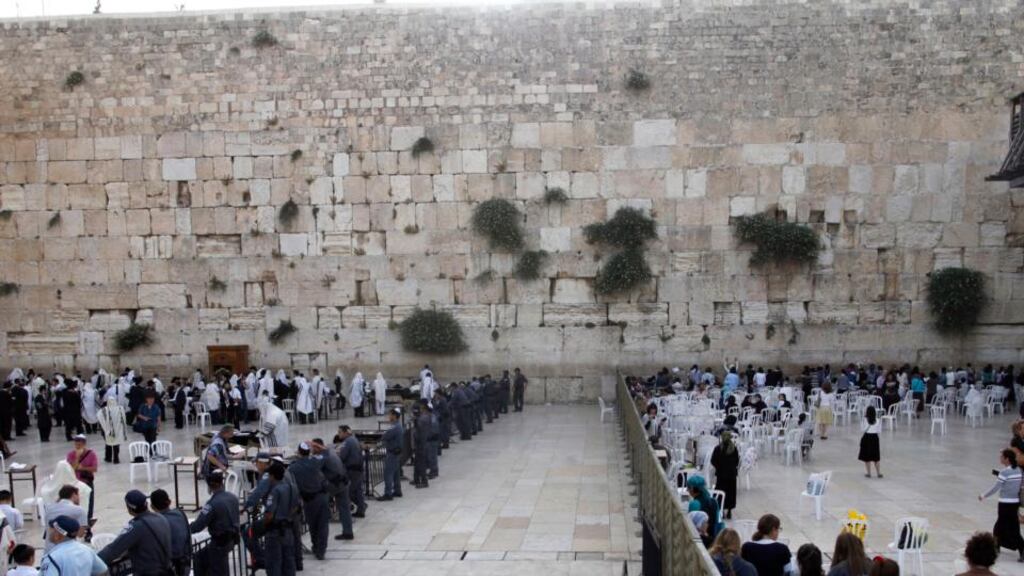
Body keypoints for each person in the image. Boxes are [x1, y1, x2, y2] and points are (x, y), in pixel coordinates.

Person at [97, 490, 173, 576]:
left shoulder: (136, 526)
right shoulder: (161, 518)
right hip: (166, 571)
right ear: (146, 504)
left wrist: (93, 560)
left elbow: (114, 549)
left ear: (129, 509)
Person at [189, 470, 240, 576]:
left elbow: (198, 526)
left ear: (210, 486)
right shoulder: (233, 497)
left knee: (217, 570)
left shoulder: (212, 504)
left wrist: (185, 529)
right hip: (232, 539)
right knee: (199, 557)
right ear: (222, 483)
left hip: (219, 543)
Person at [979, 448, 1024, 561]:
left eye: (1002, 457)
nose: (1000, 458)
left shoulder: (1004, 472)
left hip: (1005, 504)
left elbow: (996, 488)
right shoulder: (1019, 470)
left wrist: (983, 495)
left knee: (1010, 528)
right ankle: (996, 546)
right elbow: (1019, 485)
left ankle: (1021, 549)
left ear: (1007, 459)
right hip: (1014, 504)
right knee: (1000, 526)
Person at [288, 443, 329, 559]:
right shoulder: (315, 461)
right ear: (308, 452)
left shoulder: (293, 467)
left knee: (313, 525)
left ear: (299, 452)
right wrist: (315, 444)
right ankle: (321, 550)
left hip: (308, 500)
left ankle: (316, 546)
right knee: (323, 525)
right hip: (322, 497)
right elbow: (326, 452)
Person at [311, 438, 352, 542]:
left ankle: (322, 528)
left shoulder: (323, 456)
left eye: (313, 447)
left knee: (320, 504)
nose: (312, 449)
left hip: (334, 485)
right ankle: (348, 532)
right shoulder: (330, 451)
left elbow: (314, 468)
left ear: (317, 447)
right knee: (344, 509)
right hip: (343, 482)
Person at [38, 516, 107, 576]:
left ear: (57, 535)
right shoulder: (87, 550)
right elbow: (102, 570)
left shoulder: (52, 558)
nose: (49, 531)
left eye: (51, 529)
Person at [262, 461, 297, 576]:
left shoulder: (275, 491)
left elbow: (270, 514)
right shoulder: (292, 487)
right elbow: (295, 508)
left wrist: (264, 524)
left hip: (275, 532)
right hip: (288, 529)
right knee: (288, 561)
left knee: (274, 563)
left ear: (272, 476)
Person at [149, 490, 190, 576]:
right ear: (169, 502)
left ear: (152, 507)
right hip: (185, 564)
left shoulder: (157, 523)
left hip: (171, 567)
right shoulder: (180, 513)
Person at [43, 486, 87, 552]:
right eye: (78, 495)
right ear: (74, 495)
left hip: (49, 550)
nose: (79, 498)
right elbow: (80, 534)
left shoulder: (49, 508)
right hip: (66, 551)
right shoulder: (79, 510)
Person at [65, 435, 98, 521]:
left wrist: (82, 468)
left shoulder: (91, 454)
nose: (77, 447)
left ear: (84, 444)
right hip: (75, 483)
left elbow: (94, 468)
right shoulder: (71, 454)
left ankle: (88, 521)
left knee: (89, 503)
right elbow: (72, 468)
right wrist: (77, 457)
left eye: (79, 445)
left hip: (87, 482)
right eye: (76, 445)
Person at [337, 426, 366, 517]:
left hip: (352, 470)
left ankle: (360, 507)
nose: (339, 434)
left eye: (340, 432)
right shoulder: (354, 439)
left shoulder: (347, 442)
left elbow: (342, 456)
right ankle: (361, 509)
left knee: (349, 492)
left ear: (346, 433)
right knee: (358, 491)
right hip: (358, 469)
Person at [710, 431, 739, 519]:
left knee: (721, 491)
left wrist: (719, 468)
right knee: (731, 492)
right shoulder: (734, 449)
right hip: (731, 475)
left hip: (721, 475)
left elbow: (713, 460)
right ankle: (729, 510)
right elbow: (737, 461)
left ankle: (721, 509)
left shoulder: (718, 448)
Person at [377, 408, 404, 501]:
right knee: (396, 473)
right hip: (397, 452)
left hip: (392, 453)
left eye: (390, 414)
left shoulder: (394, 427)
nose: (389, 416)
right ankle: (397, 490)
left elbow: (385, 436)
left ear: (394, 416)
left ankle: (388, 493)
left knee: (388, 473)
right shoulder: (398, 426)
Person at [685, 476, 722, 540]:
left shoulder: (695, 504)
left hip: (703, 539)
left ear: (692, 489)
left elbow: (692, 527)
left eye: (688, 488)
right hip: (714, 537)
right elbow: (717, 520)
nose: (687, 490)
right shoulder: (713, 501)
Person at [97, 397, 128, 464]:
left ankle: (108, 458)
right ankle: (116, 459)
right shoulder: (120, 408)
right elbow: (124, 419)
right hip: (118, 430)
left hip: (108, 430)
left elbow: (99, 415)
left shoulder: (105, 409)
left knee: (108, 444)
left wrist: (105, 426)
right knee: (116, 444)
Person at [859, 405, 882, 478]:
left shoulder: (864, 420)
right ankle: (878, 473)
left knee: (867, 457)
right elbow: (879, 430)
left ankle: (869, 473)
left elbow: (862, 429)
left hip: (867, 437)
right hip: (875, 438)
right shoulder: (878, 420)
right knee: (876, 457)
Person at [412, 402, 431, 488]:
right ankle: (416, 478)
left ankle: (424, 481)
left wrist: (416, 421)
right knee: (417, 462)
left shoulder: (422, 419)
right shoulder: (424, 417)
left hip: (421, 444)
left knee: (421, 463)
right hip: (421, 443)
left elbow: (419, 432)